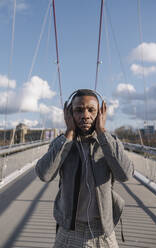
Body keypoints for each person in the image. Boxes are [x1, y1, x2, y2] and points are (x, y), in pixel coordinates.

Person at [35, 89, 134, 248]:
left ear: (101, 112)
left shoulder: (109, 142)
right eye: (79, 110)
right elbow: (44, 174)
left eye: (91, 110)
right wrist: (68, 134)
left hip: (102, 232)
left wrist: (102, 132)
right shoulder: (62, 143)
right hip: (69, 231)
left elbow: (125, 174)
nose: (85, 115)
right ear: (69, 114)